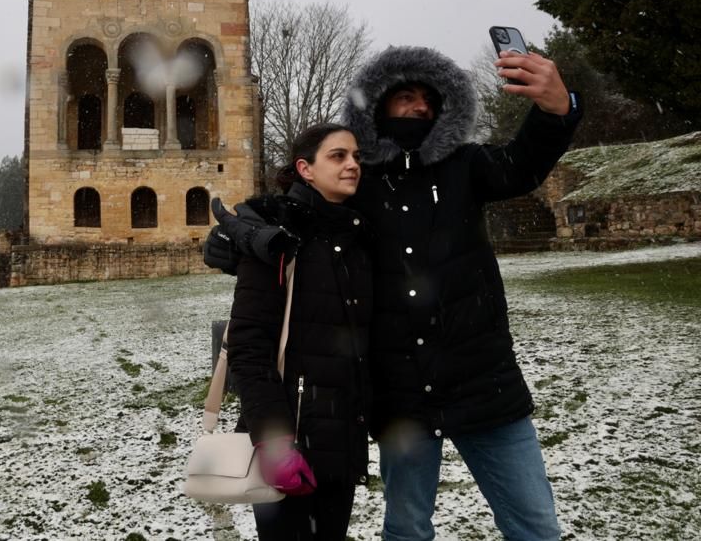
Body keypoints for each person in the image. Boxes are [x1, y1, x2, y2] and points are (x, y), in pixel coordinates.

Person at [207, 46, 582, 541]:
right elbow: (291, 209)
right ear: (380, 107)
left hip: (483, 382)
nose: (419, 107)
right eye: (405, 97)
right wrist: (242, 233)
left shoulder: (466, 166)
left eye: (429, 99)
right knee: (407, 528)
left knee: (535, 525)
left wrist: (557, 111)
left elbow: (521, 165)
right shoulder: (360, 182)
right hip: (401, 394)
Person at [226, 123, 374, 540]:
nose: (352, 165)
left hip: (343, 436)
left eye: (356, 157)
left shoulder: (356, 235)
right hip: (290, 440)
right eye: (338, 156)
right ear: (305, 169)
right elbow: (249, 346)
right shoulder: (275, 238)